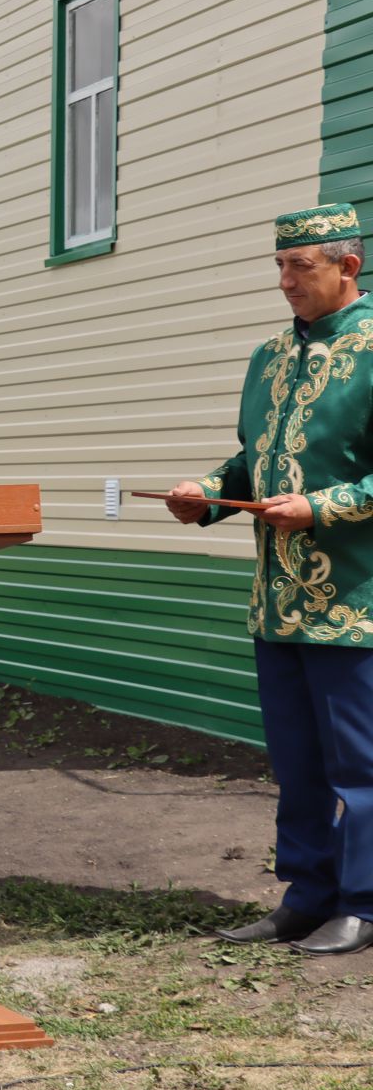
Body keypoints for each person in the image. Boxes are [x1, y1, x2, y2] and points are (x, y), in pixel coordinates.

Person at [168, 202, 373, 956]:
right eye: (280, 266)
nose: (285, 281)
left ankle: (365, 902)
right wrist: (208, 495)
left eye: (301, 267)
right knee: (296, 763)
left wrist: (322, 507)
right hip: (277, 601)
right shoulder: (270, 358)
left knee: (362, 765)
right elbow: (253, 462)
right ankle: (307, 895)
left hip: (358, 602)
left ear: (348, 267)